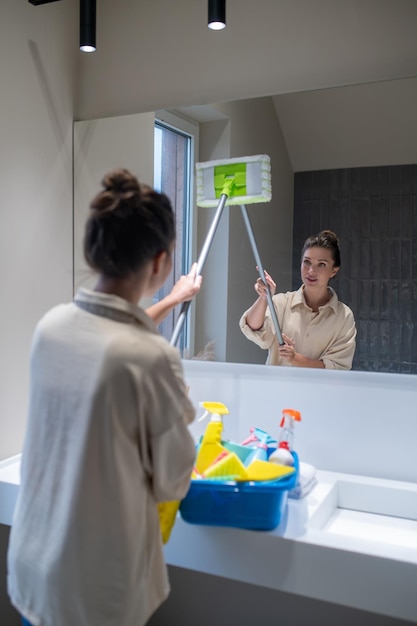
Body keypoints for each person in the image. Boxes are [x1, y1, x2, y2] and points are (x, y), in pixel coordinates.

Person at [7, 168, 202, 626]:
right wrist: (176, 408)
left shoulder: (50, 326)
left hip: (33, 567)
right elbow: (174, 481)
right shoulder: (150, 359)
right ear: (160, 261)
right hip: (93, 592)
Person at [240, 230, 356, 369]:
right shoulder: (282, 303)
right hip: (276, 389)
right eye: (307, 262)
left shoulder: (344, 317)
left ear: (334, 271)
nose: (311, 271)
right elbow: (256, 331)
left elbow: (337, 369)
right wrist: (264, 298)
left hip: (319, 391)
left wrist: (295, 358)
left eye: (321, 264)